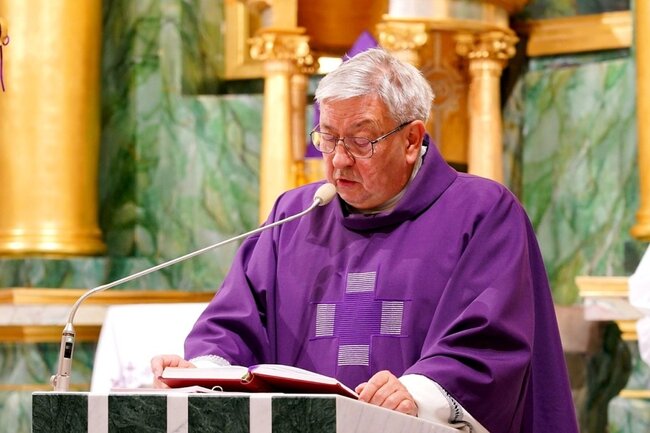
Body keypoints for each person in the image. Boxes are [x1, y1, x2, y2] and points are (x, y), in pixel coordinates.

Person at [152, 48, 578, 433]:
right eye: (327, 138)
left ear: (411, 140)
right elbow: (234, 323)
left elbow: (489, 341)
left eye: (360, 141)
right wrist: (200, 372)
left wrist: (419, 393)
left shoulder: (482, 212)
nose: (338, 159)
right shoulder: (294, 216)